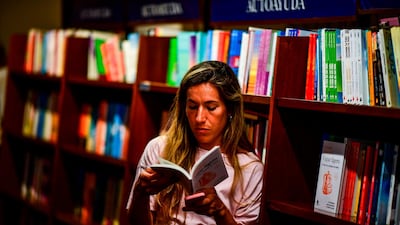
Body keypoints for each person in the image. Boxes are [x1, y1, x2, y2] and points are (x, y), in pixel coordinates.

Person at [126, 60, 264, 225]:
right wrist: (140, 192)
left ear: (230, 110)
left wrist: (220, 211)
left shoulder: (250, 168)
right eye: (192, 107)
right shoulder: (159, 148)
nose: (199, 118)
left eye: (211, 108)